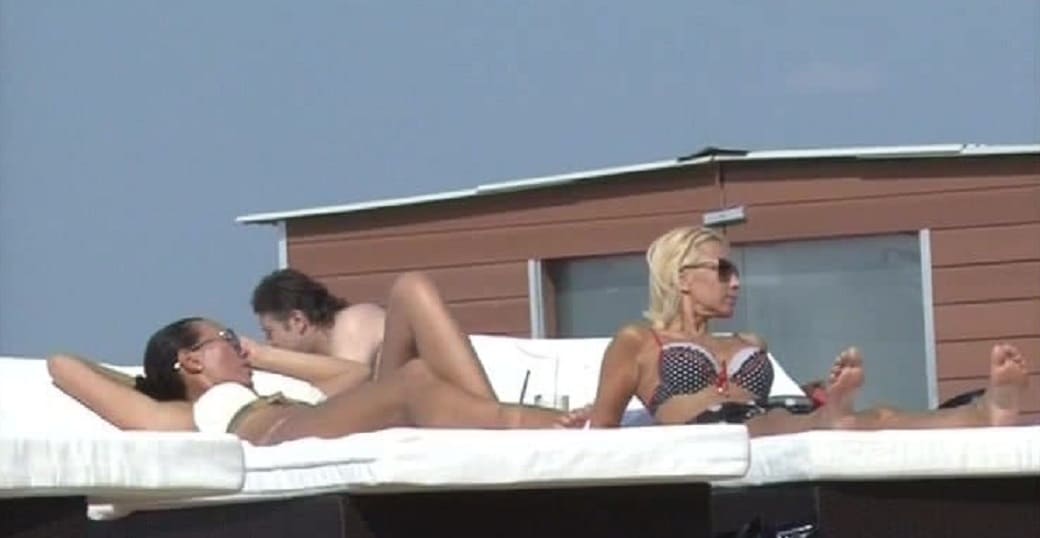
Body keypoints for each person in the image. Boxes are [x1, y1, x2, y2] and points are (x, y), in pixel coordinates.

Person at [587, 225, 1031, 436]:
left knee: (879, 415)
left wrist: (809, 392)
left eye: (735, 271)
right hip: (711, 432)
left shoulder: (748, 343)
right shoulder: (637, 342)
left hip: (771, 419)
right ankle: (831, 415)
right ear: (682, 278)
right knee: (796, 422)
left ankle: (985, 412)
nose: (735, 282)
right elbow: (603, 428)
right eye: (722, 270)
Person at [49, 272, 584, 446]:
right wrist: (148, 378)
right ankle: (540, 425)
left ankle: (503, 427)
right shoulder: (183, 416)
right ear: (190, 361)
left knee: (411, 288)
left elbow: (356, 377)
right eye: (227, 337)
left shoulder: (272, 386)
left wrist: (264, 356)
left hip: (320, 415)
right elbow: (63, 365)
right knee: (415, 377)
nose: (239, 344)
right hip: (287, 433)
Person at [250, 268, 385, 368]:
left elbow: (354, 385)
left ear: (297, 321)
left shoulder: (353, 321)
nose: (270, 343)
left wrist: (268, 358)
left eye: (269, 332)